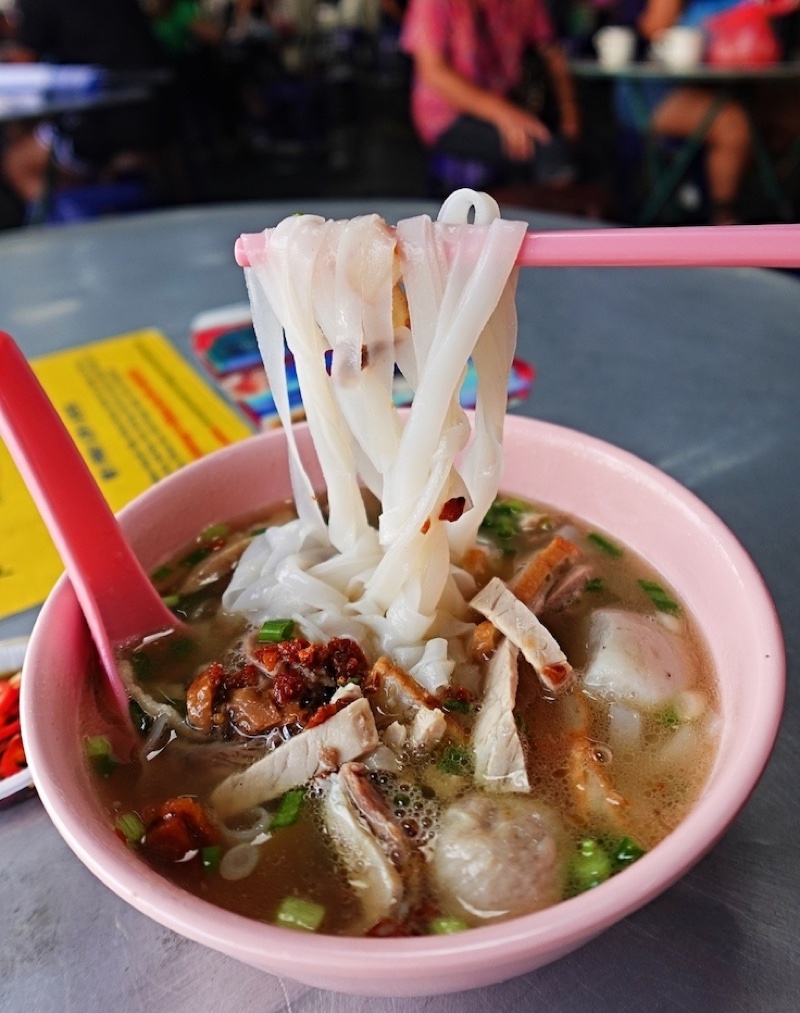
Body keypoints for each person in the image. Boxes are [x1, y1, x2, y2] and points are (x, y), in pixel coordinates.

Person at [1, 0, 174, 207]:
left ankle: (71, 229)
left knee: (18, 164)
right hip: (164, 109)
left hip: (107, 121)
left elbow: (24, 62)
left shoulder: (37, 4)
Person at [399, 0, 582, 186]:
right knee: (548, 152)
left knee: (574, 148)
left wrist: (570, 116)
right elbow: (433, 71)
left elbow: (551, 53)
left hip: (505, 105)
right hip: (446, 115)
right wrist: (505, 115)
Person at [636, 0, 752, 223]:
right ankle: (725, 225)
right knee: (732, 123)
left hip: (742, 84)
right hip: (656, 89)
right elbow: (653, 28)